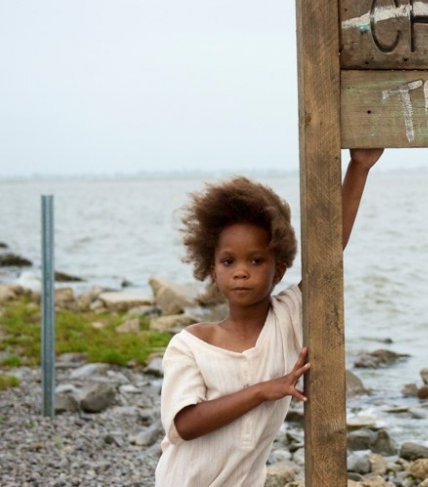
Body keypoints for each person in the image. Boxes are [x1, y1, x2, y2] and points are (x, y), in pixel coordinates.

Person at [155, 149, 383, 487]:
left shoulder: (286, 320)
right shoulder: (190, 346)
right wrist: (262, 390)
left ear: (279, 269)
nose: (242, 272)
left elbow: (330, 248)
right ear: (212, 268)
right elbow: (185, 424)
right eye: (228, 261)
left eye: (256, 261)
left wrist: (359, 167)